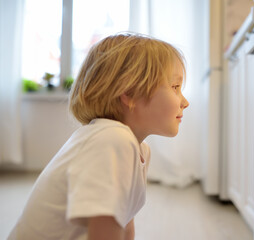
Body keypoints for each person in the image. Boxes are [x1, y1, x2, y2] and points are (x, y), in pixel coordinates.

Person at [8, 32, 189, 240]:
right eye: (175, 87)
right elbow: (104, 230)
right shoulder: (112, 139)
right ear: (129, 93)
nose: (184, 101)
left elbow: (124, 223)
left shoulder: (138, 148)